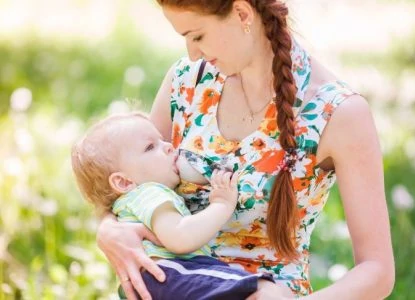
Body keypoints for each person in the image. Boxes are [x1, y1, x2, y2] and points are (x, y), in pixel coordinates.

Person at [96, 1, 395, 299]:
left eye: (197, 36)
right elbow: (128, 182)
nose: (192, 53)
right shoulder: (187, 81)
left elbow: (377, 271)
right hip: (179, 286)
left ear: (242, 13)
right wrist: (108, 229)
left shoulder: (337, 111)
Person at [71, 112, 279, 299]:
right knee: (267, 292)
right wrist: (221, 204)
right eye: (150, 147)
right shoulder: (149, 193)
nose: (170, 146)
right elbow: (180, 237)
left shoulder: (128, 205)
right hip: (169, 275)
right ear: (124, 182)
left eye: (161, 140)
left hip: (161, 281)